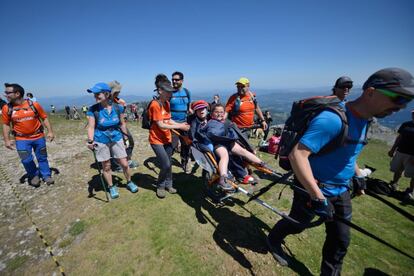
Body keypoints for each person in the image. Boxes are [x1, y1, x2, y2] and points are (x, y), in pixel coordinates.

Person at [266, 68, 414, 275]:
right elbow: (298, 156)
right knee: (299, 224)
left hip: (341, 190)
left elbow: (348, 153)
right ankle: (273, 239)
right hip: (314, 187)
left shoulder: (366, 120)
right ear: (371, 92)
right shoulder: (332, 120)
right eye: (398, 98)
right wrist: (317, 197)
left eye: (407, 100)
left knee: (340, 240)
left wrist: (358, 175)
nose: (402, 106)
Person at [200, 104, 272, 191]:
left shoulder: (226, 122)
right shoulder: (211, 122)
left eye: (221, 112)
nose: (219, 114)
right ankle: (223, 178)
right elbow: (210, 133)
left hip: (228, 142)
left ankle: (262, 163)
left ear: (224, 113)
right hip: (218, 144)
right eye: (216, 112)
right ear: (211, 114)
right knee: (224, 155)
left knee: (243, 151)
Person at [86, 82, 138, 199]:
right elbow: (91, 127)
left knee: (124, 163)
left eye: (97, 94)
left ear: (106, 94)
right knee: (107, 166)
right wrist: (90, 141)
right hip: (101, 140)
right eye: (94, 94)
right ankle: (111, 186)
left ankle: (129, 182)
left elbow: (122, 124)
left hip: (117, 137)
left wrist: (126, 138)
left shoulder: (118, 108)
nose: (95, 97)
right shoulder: (93, 109)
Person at [2, 83, 55, 187]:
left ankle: (46, 175)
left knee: (42, 157)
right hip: (21, 139)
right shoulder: (6, 108)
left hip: (38, 137)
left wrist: (50, 131)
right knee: (26, 160)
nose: (5, 95)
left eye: (8, 93)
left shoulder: (33, 105)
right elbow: (6, 124)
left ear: (17, 94)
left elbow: (44, 117)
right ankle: (34, 175)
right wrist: (7, 140)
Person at [148, 74, 190, 198]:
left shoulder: (166, 104)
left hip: (166, 138)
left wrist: (181, 124)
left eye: (171, 92)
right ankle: (160, 186)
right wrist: (180, 127)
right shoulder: (155, 105)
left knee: (169, 163)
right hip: (156, 140)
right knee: (165, 164)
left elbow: (169, 120)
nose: (170, 95)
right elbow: (161, 125)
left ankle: (169, 184)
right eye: (168, 92)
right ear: (160, 91)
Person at [224, 77, 267, 184]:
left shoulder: (251, 96)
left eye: (242, 86)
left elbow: (257, 108)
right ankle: (240, 173)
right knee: (237, 151)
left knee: (246, 150)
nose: (239, 88)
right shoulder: (233, 98)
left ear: (248, 86)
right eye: (238, 86)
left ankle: (245, 169)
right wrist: (221, 123)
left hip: (248, 129)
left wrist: (262, 120)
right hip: (237, 129)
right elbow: (226, 111)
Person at [108, 80, 138, 170]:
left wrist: (122, 106)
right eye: (117, 91)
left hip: (120, 124)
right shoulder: (106, 102)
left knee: (129, 141)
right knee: (116, 145)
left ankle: (127, 160)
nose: (119, 93)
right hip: (112, 128)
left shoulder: (116, 100)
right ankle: (118, 165)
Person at [388, 110, 414, 199]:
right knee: (397, 170)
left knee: (412, 174)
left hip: (412, 155)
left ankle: (410, 191)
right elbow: (399, 137)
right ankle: (394, 184)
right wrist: (393, 149)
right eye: (413, 113)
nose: (413, 115)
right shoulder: (406, 124)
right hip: (400, 151)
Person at [170, 71, 192, 174]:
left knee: (186, 144)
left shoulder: (187, 92)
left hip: (184, 123)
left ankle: (185, 161)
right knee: (171, 145)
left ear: (182, 81)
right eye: (173, 79)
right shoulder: (169, 93)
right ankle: (167, 164)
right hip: (172, 124)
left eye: (177, 79)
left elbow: (189, 107)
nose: (174, 81)